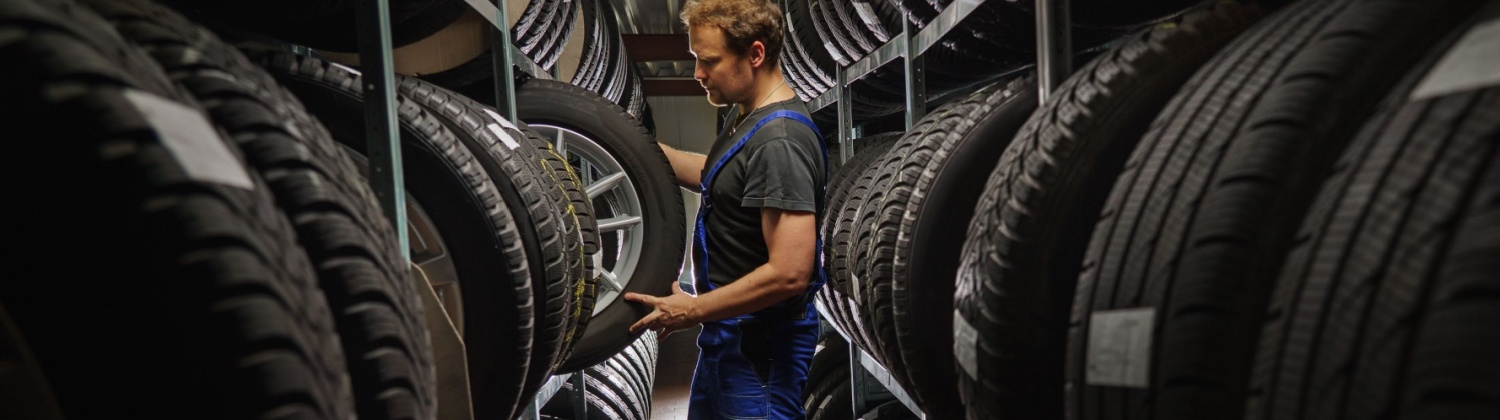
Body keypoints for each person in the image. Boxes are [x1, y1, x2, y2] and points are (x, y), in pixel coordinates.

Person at [622, 0, 827, 418]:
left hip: (760, 356)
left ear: (755, 54)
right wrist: (625, 145)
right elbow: (718, 175)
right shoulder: (746, 118)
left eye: (709, 61)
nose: (698, 73)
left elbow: (790, 271)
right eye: (696, 59)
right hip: (727, 339)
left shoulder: (780, 141)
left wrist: (693, 309)